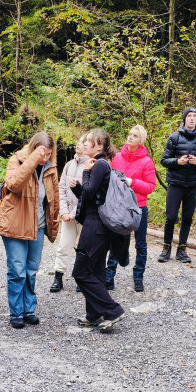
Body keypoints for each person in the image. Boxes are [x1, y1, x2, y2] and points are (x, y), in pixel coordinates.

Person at [0, 132, 60, 329]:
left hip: (38, 225)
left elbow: (54, 198)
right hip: (15, 224)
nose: (44, 158)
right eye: (41, 153)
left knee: (31, 270)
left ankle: (28, 309)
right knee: (17, 270)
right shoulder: (17, 160)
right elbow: (14, 184)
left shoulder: (51, 167)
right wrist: (32, 160)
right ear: (33, 148)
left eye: (48, 153)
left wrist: (53, 223)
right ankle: (16, 312)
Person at [71, 129, 125, 332]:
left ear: (100, 146)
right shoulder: (100, 164)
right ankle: (93, 314)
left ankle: (113, 310)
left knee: (81, 272)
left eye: (89, 141)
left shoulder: (99, 165)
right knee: (95, 271)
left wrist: (85, 173)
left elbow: (89, 191)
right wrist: (77, 188)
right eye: (84, 141)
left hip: (96, 226)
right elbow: (91, 198)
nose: (85, 144)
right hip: (98, 225)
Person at [105, 125, 157, 292]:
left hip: (138, 208)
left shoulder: (147, 161)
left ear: (141, 140)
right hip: (119, 207)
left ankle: (138, 277)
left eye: (135, 136)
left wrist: (132, 182)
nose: (130, 137)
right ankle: (109, 276)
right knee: (116, 241)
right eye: (129, 134)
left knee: (140, 244)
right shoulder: (117, 157)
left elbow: (150, 187)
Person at [159, 107, 196, 263]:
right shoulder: (174, 137)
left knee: (187, 218)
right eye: (189, 116)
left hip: (193, 185)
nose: (192, 119)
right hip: (175, 183)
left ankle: (182, 250)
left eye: (194, 116)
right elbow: (164, 160)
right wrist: (177, 161)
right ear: (184, 119)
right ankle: (166, 248)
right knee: (171, 217)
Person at [50, 138, 88, 293]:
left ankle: (82, 278)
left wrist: (73, 214)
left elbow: (87, 194)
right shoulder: (68, 165)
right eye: (78, 142)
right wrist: (64, 211)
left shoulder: (91, 166)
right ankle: (58, 277)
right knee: (63, 246)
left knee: (83, 248)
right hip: (67, 215)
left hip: (83, 216)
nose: (78, 144)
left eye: (83, 143)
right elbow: (62, 189)